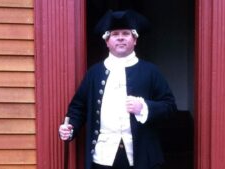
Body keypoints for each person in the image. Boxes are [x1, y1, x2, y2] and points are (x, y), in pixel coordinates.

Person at [59, 9, 177, 169]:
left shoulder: (151, 71)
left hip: (142, 158)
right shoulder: (94, 73)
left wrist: (144, 108)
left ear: (135, 39)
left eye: (126, 33)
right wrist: (70, 127)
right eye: (114, 34)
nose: (120, 37)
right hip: (103, 156)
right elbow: (78, 107)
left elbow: (169, 107)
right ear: (107, 41)